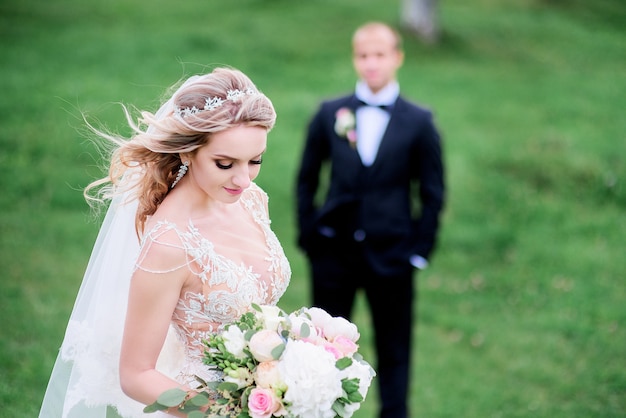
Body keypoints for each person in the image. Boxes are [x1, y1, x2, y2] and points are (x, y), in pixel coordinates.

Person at [39, 67, 291, 418]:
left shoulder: (251, 200)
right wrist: (225, 412)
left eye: (255, 161)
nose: (243, 179)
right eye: (224, 163)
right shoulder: (170, 245)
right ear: (187, 152)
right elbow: (136, 375)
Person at [295, 22, 445, 418]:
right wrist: (309, 235)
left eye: (380, 55)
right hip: (333, 253)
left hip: (392, 255)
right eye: (363, 55)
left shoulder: (419, 121)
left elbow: (432, 193)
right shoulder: (331, 113)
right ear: (354, 59)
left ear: (397, 57)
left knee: (395, 348)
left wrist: (419, 251)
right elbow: (307, 177)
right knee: (321, 352)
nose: (371, 63)